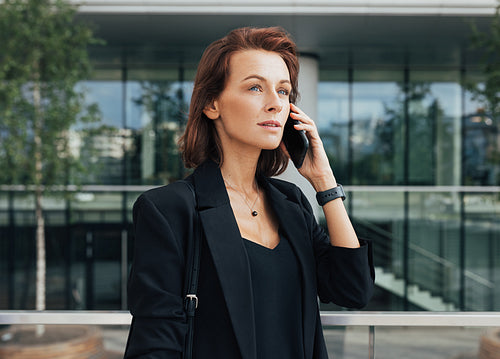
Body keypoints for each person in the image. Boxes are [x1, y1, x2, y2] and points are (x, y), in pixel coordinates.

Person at [124, 26, 374, 359]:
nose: (275, 104)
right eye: (255, 87)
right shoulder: (168, 210)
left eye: (284, 92)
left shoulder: (292, 204)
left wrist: (325, 183)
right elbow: (155, 344)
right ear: (212, 104)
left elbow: (353, 290)